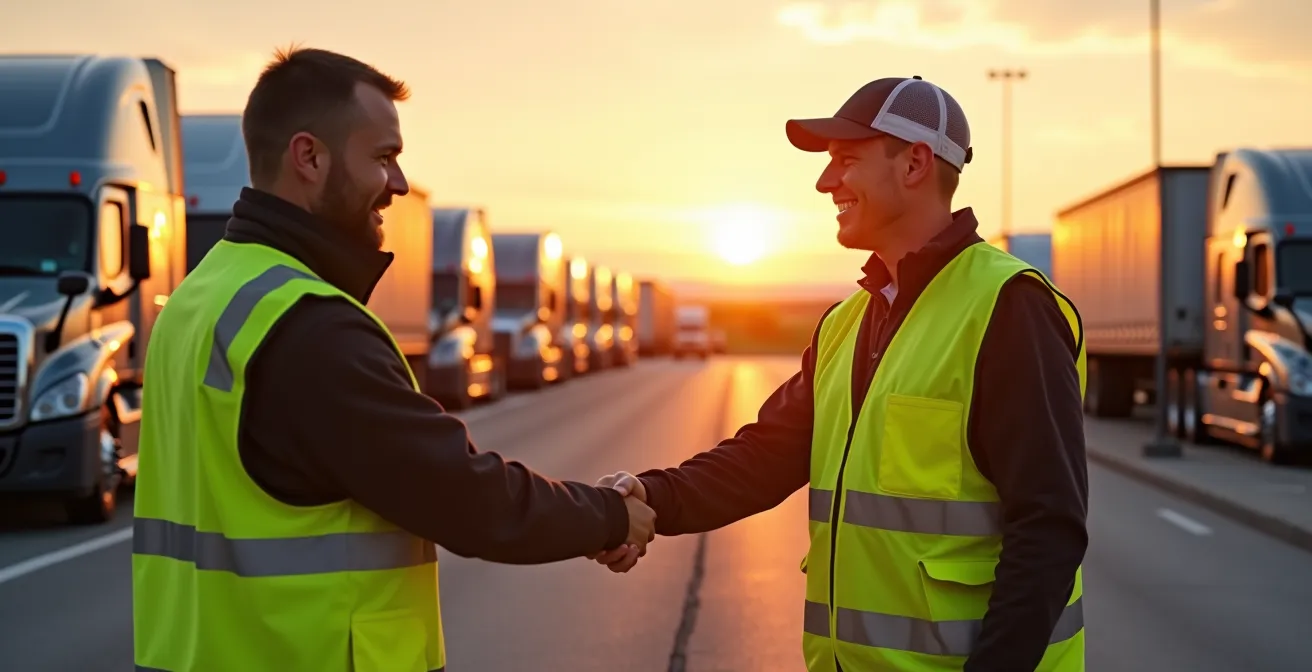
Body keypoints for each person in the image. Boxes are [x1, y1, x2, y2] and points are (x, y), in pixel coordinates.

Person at [131, 47, 655, 672]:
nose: (401, 185)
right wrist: (607, 516)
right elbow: (462, 495)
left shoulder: (199, 296)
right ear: (309, 156)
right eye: (383, 158)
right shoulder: (308, 325)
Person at [590, 76, 1088, 671]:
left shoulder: (1008, 308)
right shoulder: (847, 323)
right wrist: (650, 498)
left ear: (915, 164)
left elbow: (1048, 528)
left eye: (846, 161)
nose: (826, 183)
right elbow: (766, 456)